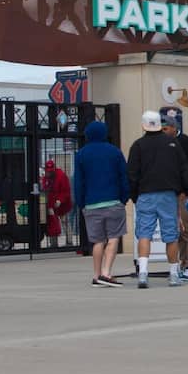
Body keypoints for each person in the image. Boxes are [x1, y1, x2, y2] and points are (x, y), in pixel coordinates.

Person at [126, 109, 188, 288]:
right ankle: (173, 274)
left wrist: (134, 195)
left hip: (145, 194)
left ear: (143, 125)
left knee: (145, 234)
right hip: (168, 195)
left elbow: (132, 173)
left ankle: (143, 273)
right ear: (160, 125)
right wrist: (186, 189)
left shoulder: (138, 146)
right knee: (170, 235)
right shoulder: (172, 143)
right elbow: (183, 169)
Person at [72, 121, 129, 288]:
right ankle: (106, 273)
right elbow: (123, 178)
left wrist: (81, 202)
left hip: (91, 204)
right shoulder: (115, 152)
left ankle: (96, 275)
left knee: (97, 241)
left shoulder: (81, 154)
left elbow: (78, 182)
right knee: (113, 238)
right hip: (113, 202)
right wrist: (124, 198)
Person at [162, 109, 188, 280]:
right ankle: (180, 263)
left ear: (173, 127)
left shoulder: (186, 142)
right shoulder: (163, 143)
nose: (163, 132)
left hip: (187, 195)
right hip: (171, 194)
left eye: (165, 129)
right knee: (177, 231)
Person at [41, 158, 73, 247]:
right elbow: (44, 191)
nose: (49, 173)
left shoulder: (61, 176)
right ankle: (53, 243)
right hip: (51, 204)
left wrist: (60, 200)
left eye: (51, 171)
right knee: (52, 223)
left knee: (65, 221)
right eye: (48, 171)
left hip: (63, 204)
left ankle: (69, 242)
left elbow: (66, 191)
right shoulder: (45, 178)